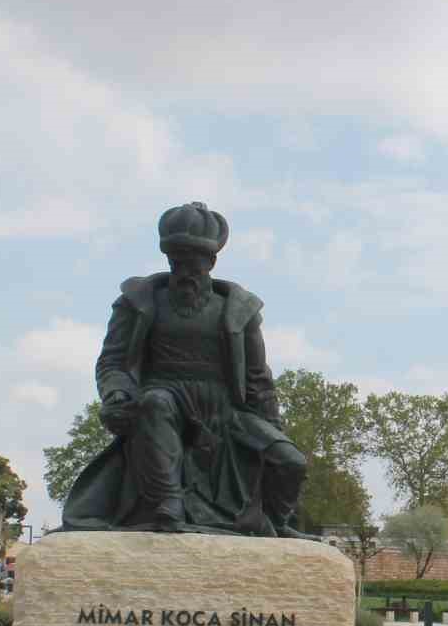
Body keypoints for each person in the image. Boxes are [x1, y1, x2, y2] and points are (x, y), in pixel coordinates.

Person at [61, 201, 311, 537]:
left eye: (194, 264)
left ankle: (274, 523)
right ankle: (169, 503)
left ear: (211, 262)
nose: (185, 272)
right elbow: (113, 361)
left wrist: (274, 429)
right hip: (165, 395)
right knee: (154, 403)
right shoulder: (137, 302)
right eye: (177, 262)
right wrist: (117, 393)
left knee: (291, 461)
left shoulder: (239, 311)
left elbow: (258, 381)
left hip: (225, 410)